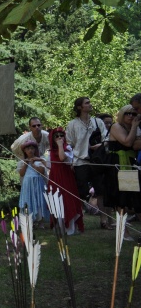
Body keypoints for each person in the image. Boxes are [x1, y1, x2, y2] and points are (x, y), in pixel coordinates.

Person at [65, 97, 108, 228]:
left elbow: (106, 138)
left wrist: (100, 146)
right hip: (80, 161)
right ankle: (79, 220)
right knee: (81, 191)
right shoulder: (72, 124)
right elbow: (69, 144)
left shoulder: (98, 122)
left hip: (97, 161)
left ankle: (104, 221)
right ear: (79, 107)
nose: (90, 104)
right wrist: (71, 161)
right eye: (87, 103)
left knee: (100, 191)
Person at [103, 105, 141, 219]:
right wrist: (134, 126)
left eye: (134, 114)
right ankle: (123, 231)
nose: (130, 116)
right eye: (127, 113)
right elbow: (127, 142)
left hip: (130, 163)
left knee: (133, 196)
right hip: (119, 165)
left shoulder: (134, 128)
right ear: (121, 114)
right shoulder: (116, 126)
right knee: (121, 198)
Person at [47, 127, 84, 235]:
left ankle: (70, 227)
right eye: (56, 136)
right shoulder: (51, 151)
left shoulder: (67, 148)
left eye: (61, 135)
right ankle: (59, 225)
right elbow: (50, 165)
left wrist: (60, 145)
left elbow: (62, 158)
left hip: (66, 176)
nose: (59, 138)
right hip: (55, 177)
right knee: (56, 199)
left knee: (67, 199)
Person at [17, 138, 50, 222]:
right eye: (28, 149)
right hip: (27, 184)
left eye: (32, 148)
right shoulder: (22, 162)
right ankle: (29, 220)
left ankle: (40, 220)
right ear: (24, 151)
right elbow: (21, 173)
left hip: (38, 183)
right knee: (28, 200)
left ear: (35, 149)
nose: (30, 150)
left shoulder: (40, 160)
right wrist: (26, 164)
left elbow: (42, 172)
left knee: (39, 200)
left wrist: (33, 164)